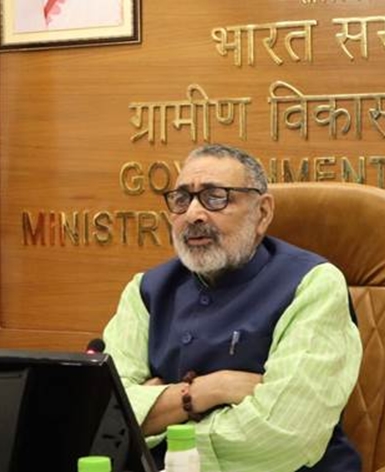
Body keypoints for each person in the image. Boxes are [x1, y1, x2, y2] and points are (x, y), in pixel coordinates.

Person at [103, 144, 362, 472]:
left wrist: (156, 418)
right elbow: (107, 422)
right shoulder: (146, 290)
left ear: (262, 213)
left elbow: (280, 438)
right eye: (182, 199)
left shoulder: (312, 285)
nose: (194, 214)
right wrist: (208, 391)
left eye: (216, 197)